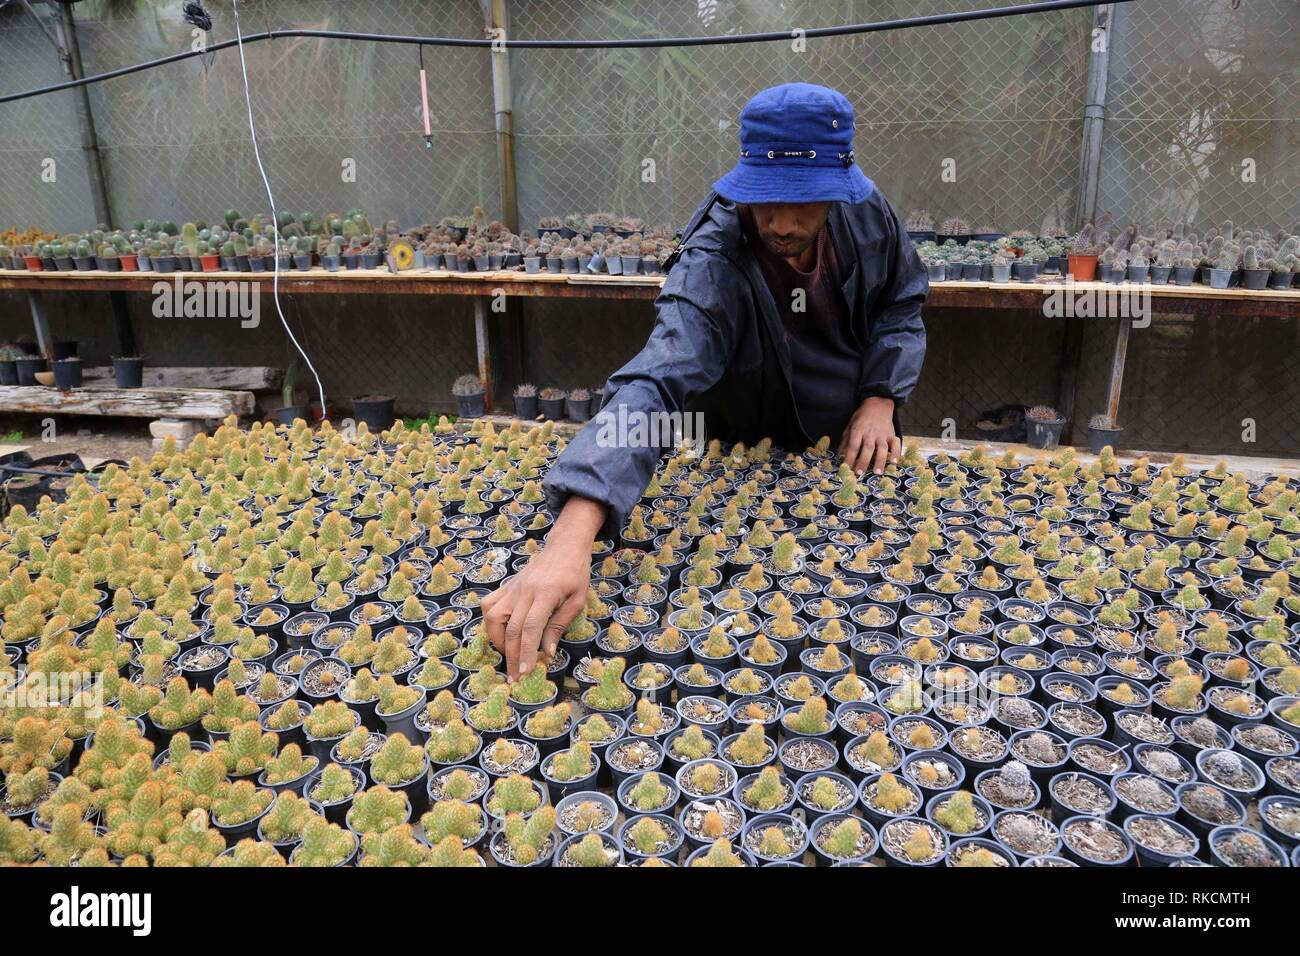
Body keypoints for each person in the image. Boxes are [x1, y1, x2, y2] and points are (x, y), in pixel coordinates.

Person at [484, 82, 927, 680]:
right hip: (739, 435)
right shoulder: (714, 256)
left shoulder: (868, 215)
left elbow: (901, 304)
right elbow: (659, 378)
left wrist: (881, 397)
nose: (780, 221)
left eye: (804, 201)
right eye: (765, 199)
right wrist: (574, 531)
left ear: (836, 192)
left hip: (842, 437)